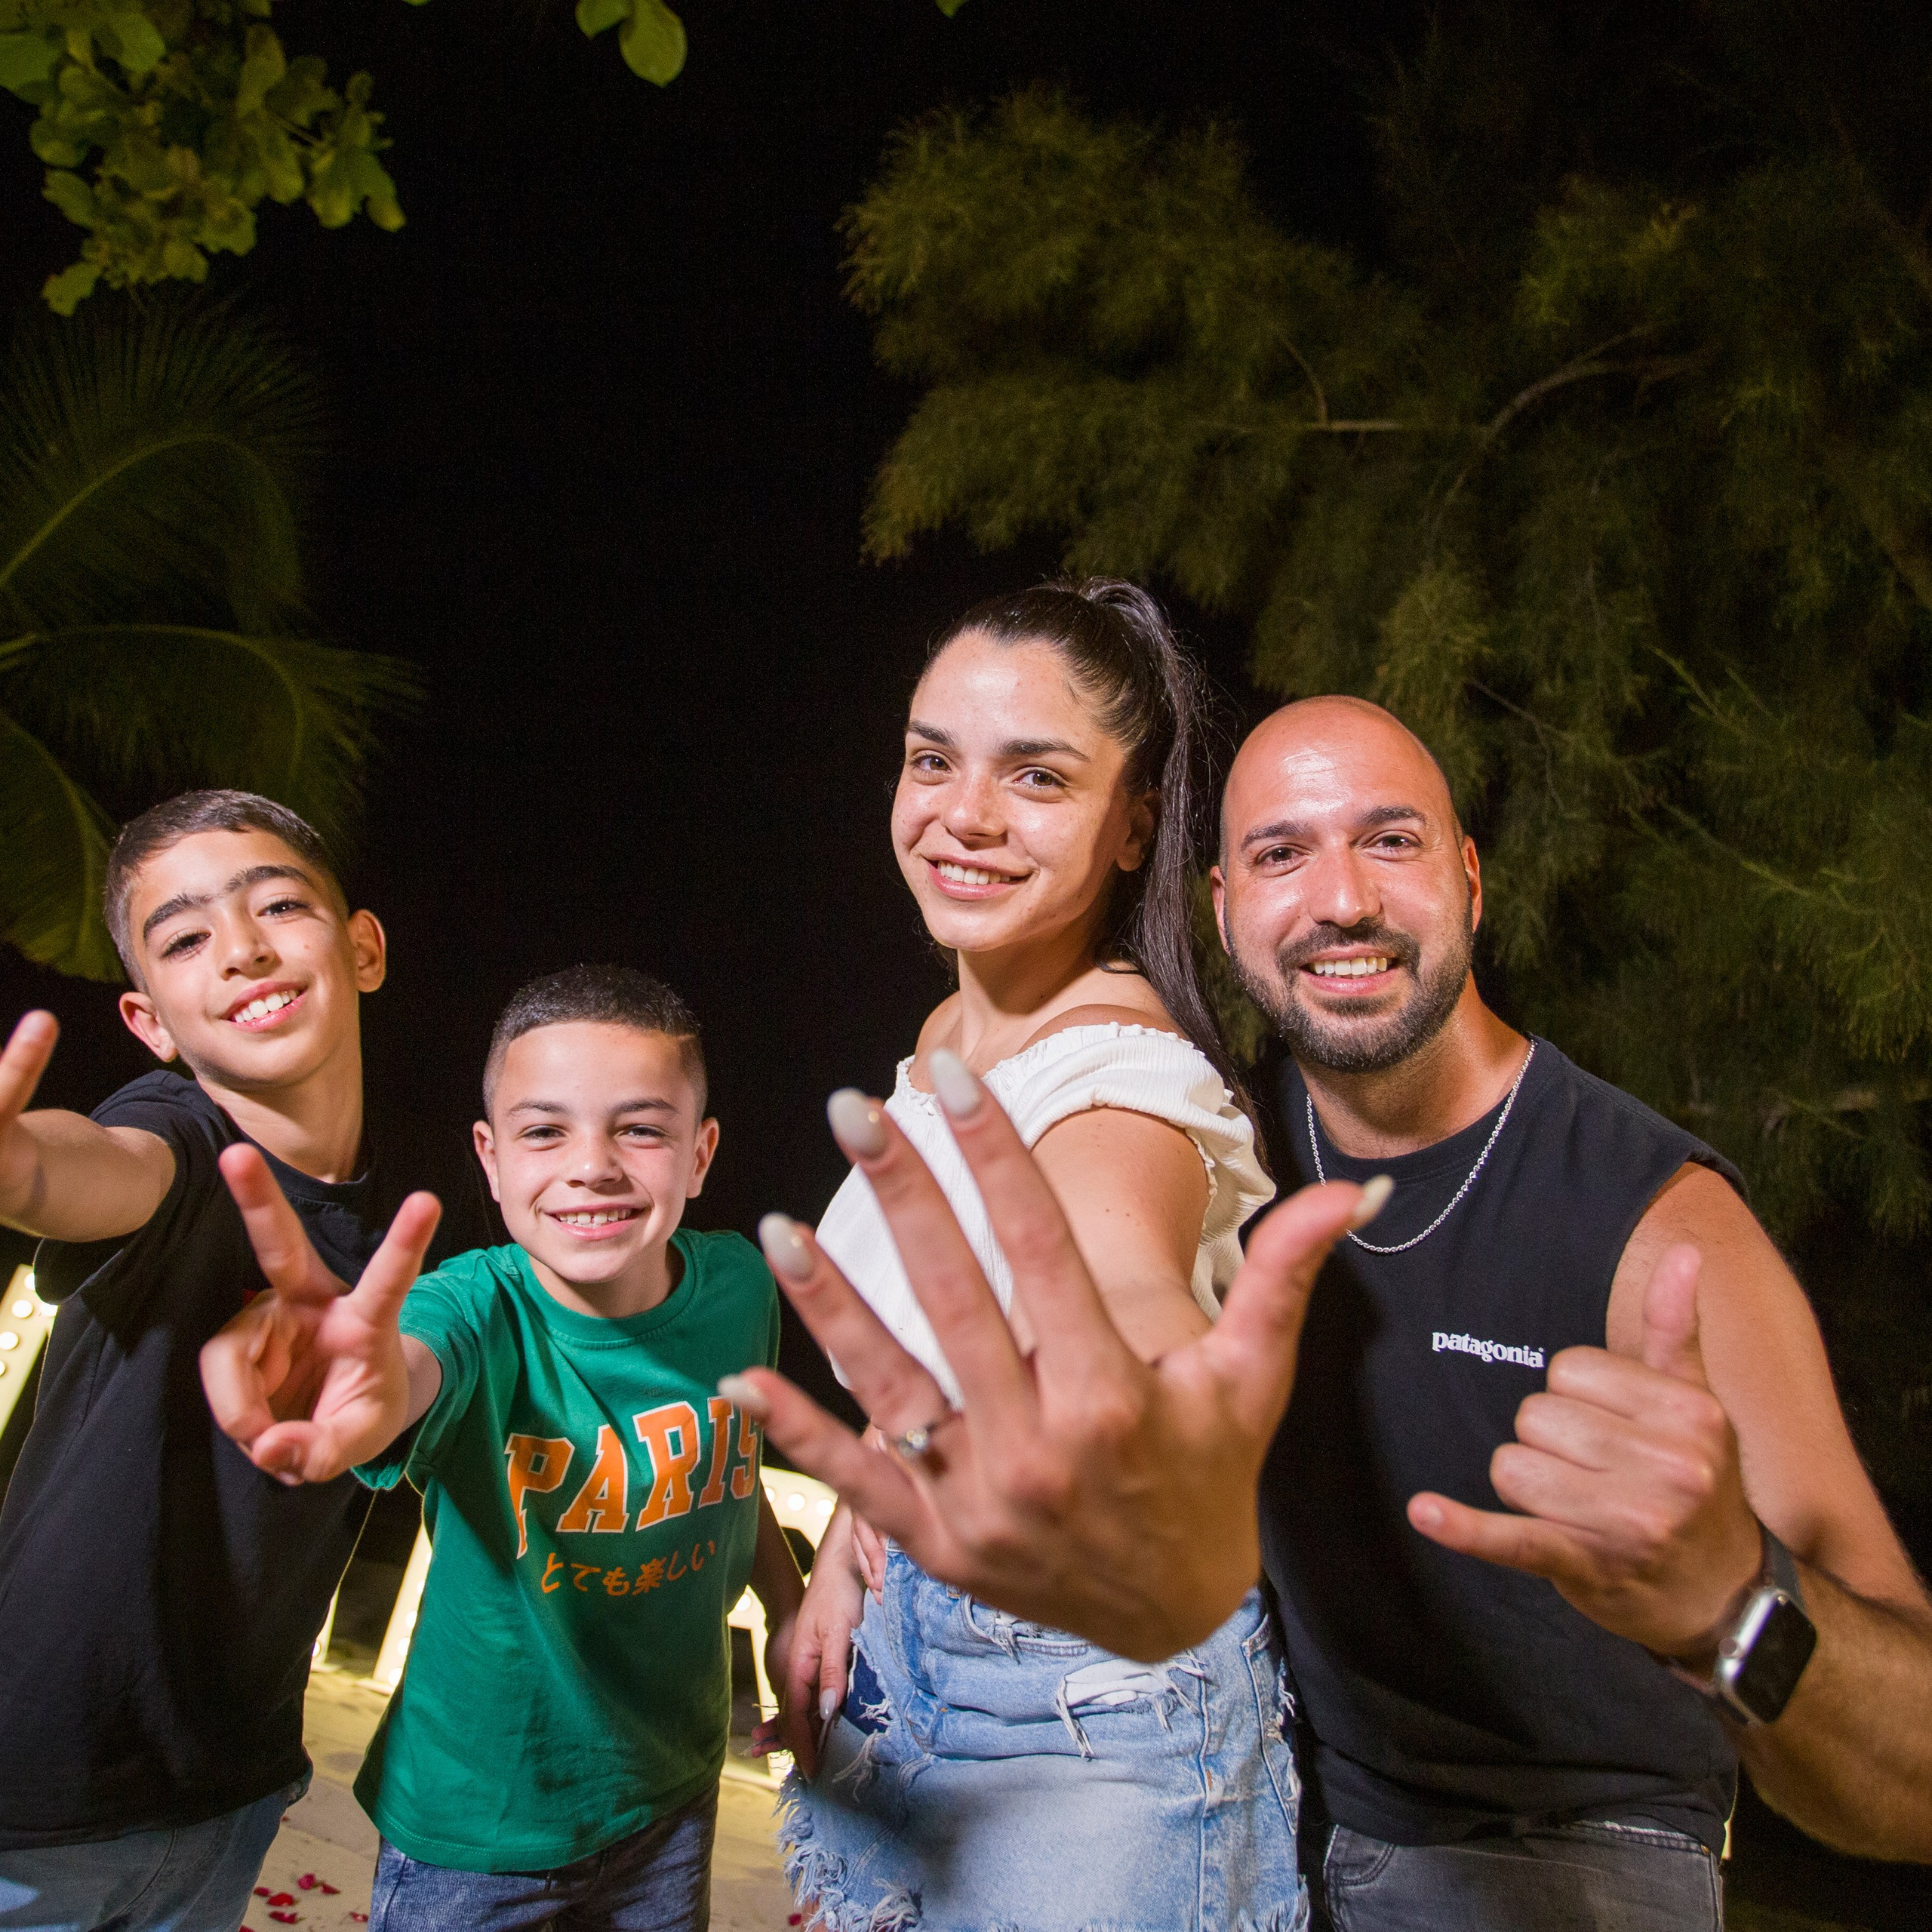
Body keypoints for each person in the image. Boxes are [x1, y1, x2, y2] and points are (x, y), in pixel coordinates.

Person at [726, 697, 1932, 1915]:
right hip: (1264, 1809)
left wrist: (1739, 1599)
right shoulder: (1207, 1133)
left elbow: (1916, 1781)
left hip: (1555, 1859)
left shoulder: (1661, 1230)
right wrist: (859, 1537)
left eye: (1391, 841)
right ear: (1222, 908)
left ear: (1470, 879)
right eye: (1281, 853)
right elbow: (1077, 1308)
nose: (1340, 898)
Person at [755, 580, 1306, 1932]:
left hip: (1090, 1694)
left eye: (1038, 777)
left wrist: (1161, 1416)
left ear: (1134, 828)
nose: (964, 815)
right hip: (914, 1644)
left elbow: (1117, 1288)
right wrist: (851, 1543)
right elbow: (940, 1362)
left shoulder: (1124, 1085)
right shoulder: (955, 1032)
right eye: (932, 758)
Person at [200, 963, 805, 1932]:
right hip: (481, 1829)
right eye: (544, 1130)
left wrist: (787, 1606)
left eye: (641, 1128)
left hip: (672, 1791)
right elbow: (405, 1367)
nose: (593, 1164)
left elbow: (722, 1473)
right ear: (490, 1155)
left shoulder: (740, 1288)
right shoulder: (474, 1308)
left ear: (700, 1153)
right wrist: (350, 1381)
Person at [0, 790, 438, 1932]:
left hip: (234, 1791)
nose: (241, 949)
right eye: (186, 936)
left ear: (363, 947)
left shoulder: (405, 1219)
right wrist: (12, 1166)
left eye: (278, 905)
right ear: (151, 1023)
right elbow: (85, 1166)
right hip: (34, 1786)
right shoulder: (181, 1137)